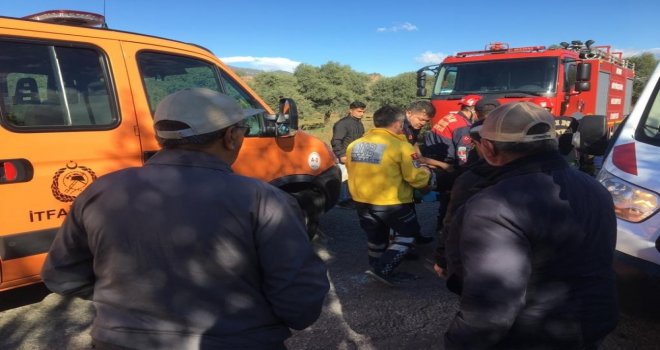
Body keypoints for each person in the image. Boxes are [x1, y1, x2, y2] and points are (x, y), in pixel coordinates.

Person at [41, 88, 330, 350]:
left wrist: (127, 306)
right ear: (231, 137)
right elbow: (300, 303)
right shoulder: (265, 200)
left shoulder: (99, 190)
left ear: (160, 137)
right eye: (241, 128)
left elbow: (61, 275)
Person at [443, 102, 618, 349]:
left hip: (532, 337)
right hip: (593, 322)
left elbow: (491, 311)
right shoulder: (595, 188)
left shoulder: (492, 205)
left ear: (489, 148)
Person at [345, 105, 433, 286]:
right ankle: (383, 268)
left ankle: (376, 266)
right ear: (398, 123)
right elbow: (416, 178)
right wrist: (427, 174)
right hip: (392, 202)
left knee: (376, 237)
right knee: (408, 234)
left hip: (362, 201)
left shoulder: (354, 145)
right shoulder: (402, 147)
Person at [423, 94, 481, 236]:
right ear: (472, 110)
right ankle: (446, 231)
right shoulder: (463, 127)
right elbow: (463, 155)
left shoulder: (451, 117)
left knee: (445, 199)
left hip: (434, 162)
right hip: (447, 166)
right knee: (452, 200)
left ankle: (441, 227)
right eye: (478, 113)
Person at [331, 101, 366, 209]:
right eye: (359, 111)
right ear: (350, 110)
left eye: (363, 111)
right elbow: (336, 141)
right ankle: (342, 201)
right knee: (344, 179)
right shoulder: (342, 124)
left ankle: (352, 198)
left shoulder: (359, 123)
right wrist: (341, 155)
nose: (362, 114)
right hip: (345, 155)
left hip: (357, 155)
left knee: (354, 178)